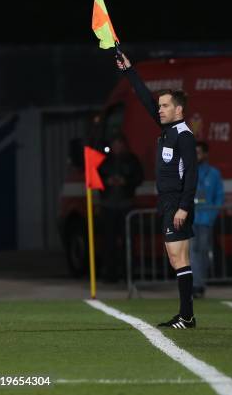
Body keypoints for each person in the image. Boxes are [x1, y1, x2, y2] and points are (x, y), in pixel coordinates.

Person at [116, 52, 198, 329]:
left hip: (176, 202)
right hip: (168, 202)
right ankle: (187, 315)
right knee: (176, 257)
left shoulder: (184, 136)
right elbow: (143, 99)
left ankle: (186, 316)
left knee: (179, 257)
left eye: (165, 106)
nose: (159, 109)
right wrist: (129, 70)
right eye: (160, 106)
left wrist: (184, 207)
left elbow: (192, 174)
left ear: (179, 110)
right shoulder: (168, 130)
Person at [98, 134, 144, 282]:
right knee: (108, 242)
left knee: (128, 241)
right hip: (108, 206)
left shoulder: (132, 160)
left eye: (119, 144)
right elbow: (96, 178)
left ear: (123, 145)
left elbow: (139, 177)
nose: (116, 147)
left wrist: (126, 181)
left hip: (126, 205)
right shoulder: (104, 161)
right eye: (114, 145)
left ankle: (128, 274)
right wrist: (107, 182)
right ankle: (110, 274)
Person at [191, 141, 224, 298]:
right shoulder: (188, 171)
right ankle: (196, 285)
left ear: (205, 154)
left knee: (203, 252)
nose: (195, 156)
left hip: (205, 220)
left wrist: (212, 215)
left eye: (198, 152)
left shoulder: (214, 173)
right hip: (190, 219)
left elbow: (219, 196)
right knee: (192, 252)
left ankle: (200, 283)